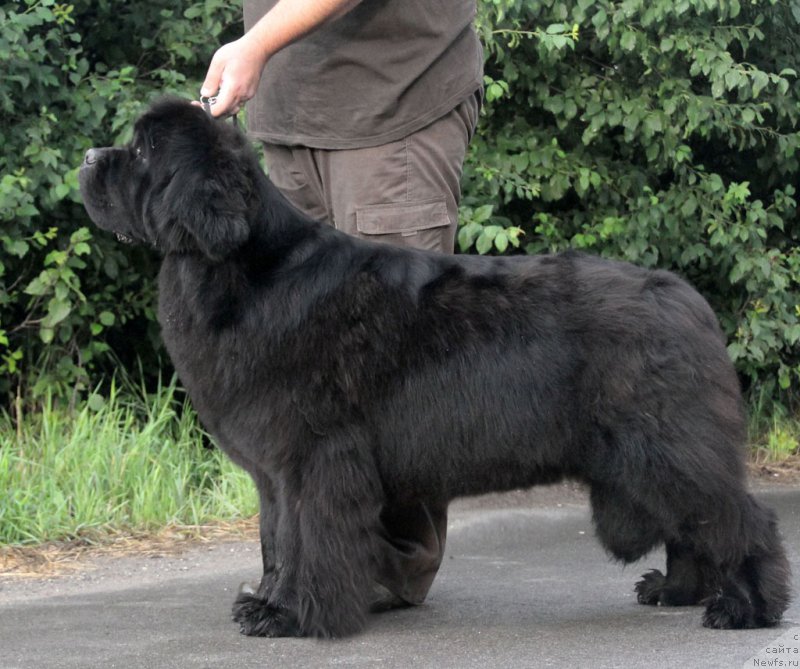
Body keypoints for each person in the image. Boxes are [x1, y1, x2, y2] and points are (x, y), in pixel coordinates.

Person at [201, 0, 484, 609]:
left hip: (390, 110)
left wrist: (256, 45)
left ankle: (390, 565)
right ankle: (305, 567)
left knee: (391, 365)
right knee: (299, 378)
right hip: (290, 121)